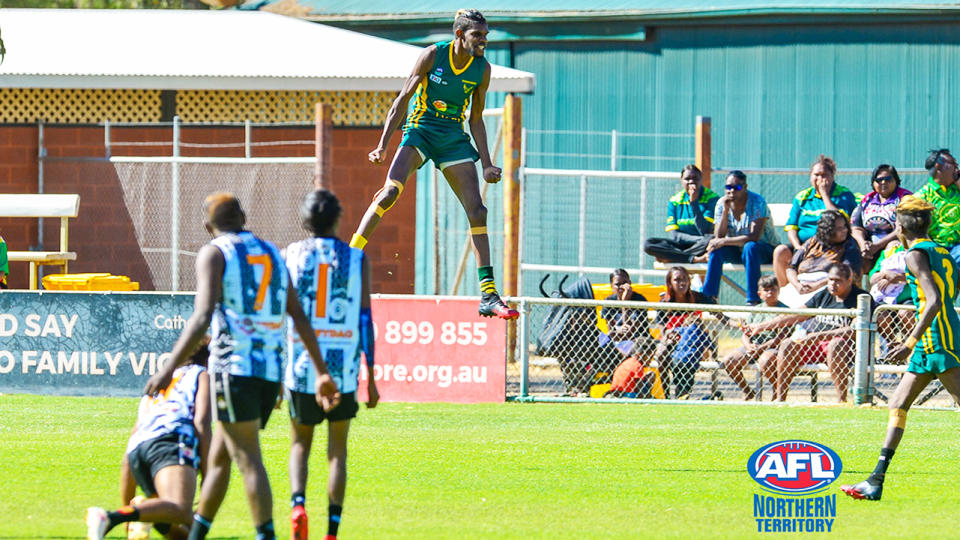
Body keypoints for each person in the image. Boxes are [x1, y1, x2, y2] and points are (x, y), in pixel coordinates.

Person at [143, 193, 341, 540]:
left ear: (208, 227)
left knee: (248, 459)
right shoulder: (272, 253)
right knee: (220, 458)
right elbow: (297, 315)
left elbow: (202, 316)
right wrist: (322, 370)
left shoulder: (214, 252)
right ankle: (196, 535)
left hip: (234, 369)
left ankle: (267, 535)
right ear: (244, 217)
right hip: (268, 373)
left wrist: (167, 369)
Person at [350, 9, 517, 321]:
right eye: (477, 35)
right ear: (459, 35)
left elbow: (476, 118)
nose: (483, 41)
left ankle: (488, 294)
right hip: (421, 131)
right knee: (389, 194)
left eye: (485, 36)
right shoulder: (432, 56)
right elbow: (402, 99)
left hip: (453, 136)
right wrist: (383, 145)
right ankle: (350, 256)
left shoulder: (482, 69)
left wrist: (487, 165)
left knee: (477, 210)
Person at [841, 197, 960, 501]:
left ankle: (875, 480)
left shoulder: (914, 254)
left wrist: (908, 342)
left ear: (901, 225)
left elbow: (932, 300)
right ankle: (875, 480)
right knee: (897, 404)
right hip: (934, 338)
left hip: (937, 339)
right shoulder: (943, 252)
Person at [284, 190, 380, 540]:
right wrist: (372, 375)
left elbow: (283, 315)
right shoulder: (356, 259)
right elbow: (365, 319)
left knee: (299, 444)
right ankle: (332, 531)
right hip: (343, 365)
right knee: (337, 450)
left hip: (303, 364)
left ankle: (298, 506)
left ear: (305, 221)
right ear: (338, 218)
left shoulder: (291, 255)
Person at [86, 344, 211, 540]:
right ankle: (110, 516)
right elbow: (201, 421)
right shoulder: (201, 374)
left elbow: (132, 443)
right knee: (180, 509)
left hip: (138, 452)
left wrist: (128, 510)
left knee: (184, 533)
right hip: (171, 440)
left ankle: (143, 516)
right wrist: (208, 473)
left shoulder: (161, 382)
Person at [744, 263, 874, 402]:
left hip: (845, 347)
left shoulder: (861, 297)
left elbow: (853, 330)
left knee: (835, 344)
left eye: (838, 280)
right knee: (788, 344)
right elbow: (798, 314)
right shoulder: (825, 294)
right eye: (830, 280)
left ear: (849, 280)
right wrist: (763, 326)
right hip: (815, 344)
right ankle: (780, 399)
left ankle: (841, 400)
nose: (832, 284)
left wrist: (816, 336)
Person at [773, 155, 858, 286]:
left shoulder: (844, 195)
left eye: (824, 175)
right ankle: (784, 294)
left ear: (832, 176)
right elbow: (792, 227)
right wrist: (798, 247)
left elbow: (841, 220)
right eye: (816, 175)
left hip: (834, 246)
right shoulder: (803, 197)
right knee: (780, 251)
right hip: (805, 246)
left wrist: (824, 194)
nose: (820, 179)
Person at [700, 170, 780, 305]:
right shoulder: (721, 203)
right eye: (728, 187)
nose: (731, 191)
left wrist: (724, 241)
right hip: (738, 250)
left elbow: (754, 237)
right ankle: (709, 297)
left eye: (737, 187)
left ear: (745, 187)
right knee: (716, 249)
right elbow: (718, 236)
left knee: (750, 247)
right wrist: (725, 211)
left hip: (764, 249)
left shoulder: (757, 202)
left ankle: (753, 299)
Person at [652, 266, 726, 398]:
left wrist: (738, 324)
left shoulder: (697, 298)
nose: (682, 283)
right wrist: (668, 335)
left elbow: (721, 317)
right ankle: (666, 395)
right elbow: (662, 326)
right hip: (672, 340)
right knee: (662, 353)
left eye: (685, 279)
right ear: (670, 283)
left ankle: (682, 394)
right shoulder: (665, 301)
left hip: (691, 343)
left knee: (686, 355)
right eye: (677, 280)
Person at [722, 275, 789, 400]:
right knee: (729, 360)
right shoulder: (756, 310)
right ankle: (747, 391)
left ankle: (778, 393)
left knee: (766, 360)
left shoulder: (785, 311)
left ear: (778, 291)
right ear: (760, 294)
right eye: (766, 290)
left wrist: (762, 348)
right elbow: (746, 333)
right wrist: (748, 346)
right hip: (753, 346)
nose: (770, 292)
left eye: (773, 289)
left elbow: (781, 337)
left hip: (773, 347)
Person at [778, 210, 862, 305]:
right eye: (839, 228)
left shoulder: (850, 245)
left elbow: (847, 274)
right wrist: (797, 285)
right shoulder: (812, 242)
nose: (845, 230)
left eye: (845, 226)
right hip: (801, 287)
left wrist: (815, 286)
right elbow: (791, 268)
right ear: (827, 230)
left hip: (826, 289)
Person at [643, 164, 719, 263]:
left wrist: (694, 203)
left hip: (702, 247)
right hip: (684, 244)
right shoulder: (675, 200)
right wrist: (698, 240)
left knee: (711, 239)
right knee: (648, 244)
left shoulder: (712, 198)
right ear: (681, 181)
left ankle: (676, 257)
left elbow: (705, 230)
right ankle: (690, 258)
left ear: (701, 180)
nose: (691, 182)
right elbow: (675, 235)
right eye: (687, 179)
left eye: (695, 178)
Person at [850, 164, 912, 272]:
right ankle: (859, 288)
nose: (883, 182)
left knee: (893, 248)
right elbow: (855, 226)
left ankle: (887, 283)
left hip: (896, 241)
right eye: (879, 180)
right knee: (855, 252)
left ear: (896, 180)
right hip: (871, 244)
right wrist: (862, 243)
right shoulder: (867, 200)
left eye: (888, 179)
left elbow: (902, 229)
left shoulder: (905, 198)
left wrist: (877, 246)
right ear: (873, 183)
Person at [912, 148, 960, 265]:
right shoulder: (922, 196)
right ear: (938, 166)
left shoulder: (957, 188)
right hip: (935, 247)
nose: (957, 167)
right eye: (953, 163)